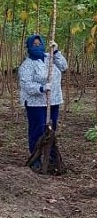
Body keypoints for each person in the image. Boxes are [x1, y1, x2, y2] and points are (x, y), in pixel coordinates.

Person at [18, 34, 68, 172]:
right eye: (34, 44)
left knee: (51, 128)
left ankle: (51, 155)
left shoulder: (50, 57)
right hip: (36, 102)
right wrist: (41, 88)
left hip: (54, 100)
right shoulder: (27, 65)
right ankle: (35, 157)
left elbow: (64, 66)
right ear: (29, 47)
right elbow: (25, 84)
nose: (37, 46)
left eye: (39, 44)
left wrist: (56, 51)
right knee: (38, 129)